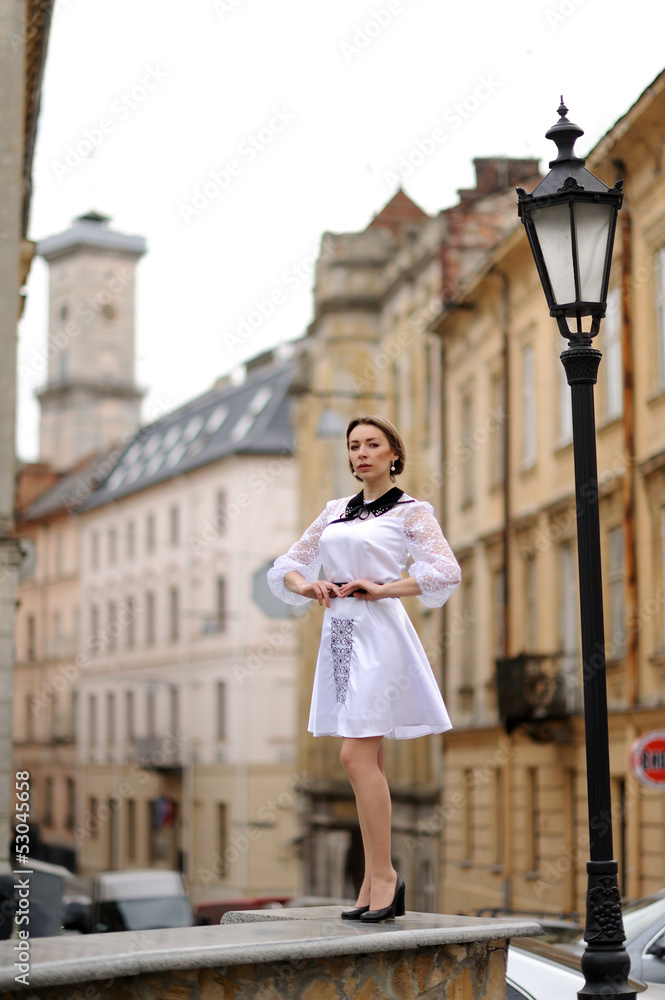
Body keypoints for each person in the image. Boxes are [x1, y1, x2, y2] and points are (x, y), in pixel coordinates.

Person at [267, 415, 461, 922]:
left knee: (355, 757)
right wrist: (309, 586)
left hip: (381, 634)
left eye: (372, 444)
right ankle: (373, 879)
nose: (361, 453)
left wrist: (385, 587)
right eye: (354, 445)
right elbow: (286, 565)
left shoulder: (411, 511)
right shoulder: (335, 511)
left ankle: (386, 876)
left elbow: (445, 570)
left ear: (394, 452)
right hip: (339, 636)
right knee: (361, 758)